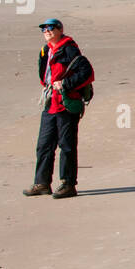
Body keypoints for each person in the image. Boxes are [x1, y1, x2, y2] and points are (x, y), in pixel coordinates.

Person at [23, 19, 93, 199]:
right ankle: (42, 183)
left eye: (50, 28)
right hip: (50, 104)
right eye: (44, 29)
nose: (46, 31)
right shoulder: (46, 50)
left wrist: (65, 84)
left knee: (67, 146)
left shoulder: (69, 48)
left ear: (60, 30)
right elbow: (44, 75)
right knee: (44, 145)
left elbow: (87, 72)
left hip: (66, 104)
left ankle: (68, 184)